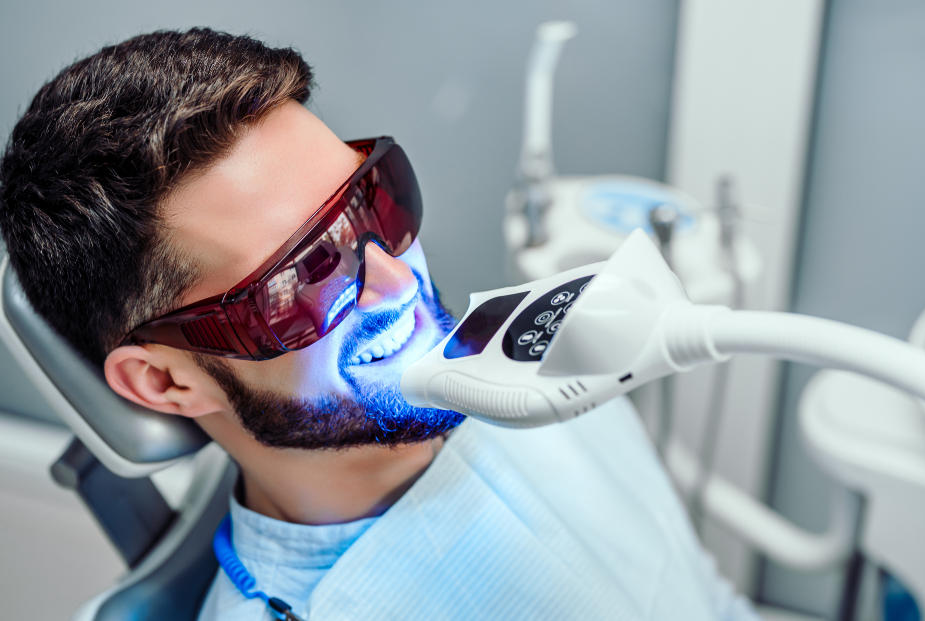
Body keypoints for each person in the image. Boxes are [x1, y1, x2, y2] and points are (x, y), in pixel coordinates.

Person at [0, 28, 759, 620]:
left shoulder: (546, 356)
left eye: (374, 202)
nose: (399, 282)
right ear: (166, 379)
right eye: (303, 277)